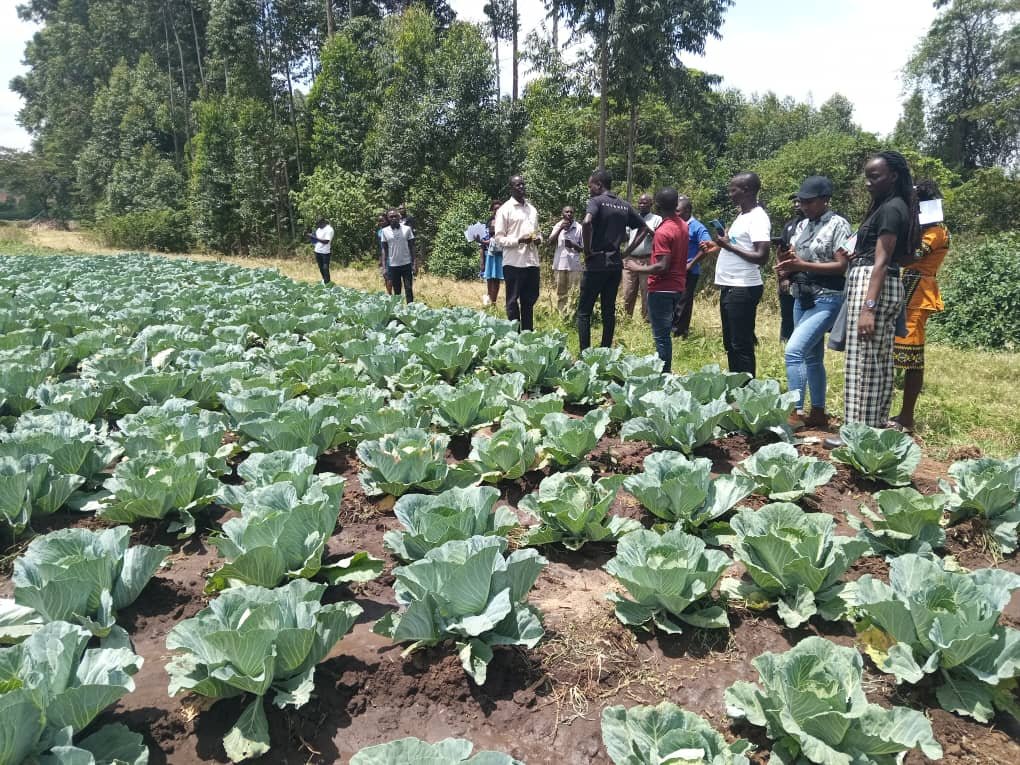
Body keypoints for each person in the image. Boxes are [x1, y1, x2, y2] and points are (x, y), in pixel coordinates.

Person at [826, 151, 918, 445]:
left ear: (893, 176)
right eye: (867, 176)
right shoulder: (894, 206)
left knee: (862, 362)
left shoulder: (891, 209)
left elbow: (881, 261)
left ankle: (854, 435)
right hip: (883, 283)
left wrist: (868, 307)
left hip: (872, 284)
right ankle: (874, 427)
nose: (868, 182)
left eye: (874, 177)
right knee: (878, 363)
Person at [775, 176, 851, 430]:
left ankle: (795, 411)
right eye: (802, 201)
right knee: (811, 357)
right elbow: (796, 256)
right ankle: (818, 411)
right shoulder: (803, 225)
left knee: (793, 351)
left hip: (828, 297)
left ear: (825, 200)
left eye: (809, 201)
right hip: (803, 295)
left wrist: (802, 265)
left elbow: (842, 266)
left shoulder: (839, 224)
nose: (804, 206)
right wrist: (787, 263)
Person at [890, 179, 950, 433]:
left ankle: (906, 418)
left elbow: (912, 256)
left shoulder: (936, 232)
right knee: (898, 355)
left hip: (919, 294)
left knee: (912, 358)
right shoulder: (924, 229)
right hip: (908, 291)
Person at [701, 172, 771, 376]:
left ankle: (747, 392)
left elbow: (762, 256)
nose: (730, 194)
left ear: (747, 190)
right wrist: (720, 243)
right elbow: (738, 244)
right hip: (730, 286)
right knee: (730, 342)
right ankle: (736, 387)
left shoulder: (758, 218)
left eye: (733, 190)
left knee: (741, 344)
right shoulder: (742, 216)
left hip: (743, 288)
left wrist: (728, 247)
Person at [579, 169, 653, 350]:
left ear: (598, 184)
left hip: (596, 263)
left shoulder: (596, 201)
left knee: (584, 312)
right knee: (608, 310)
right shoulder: (624, 205)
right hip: (614, 265)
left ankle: (585, 353)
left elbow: (587, 222)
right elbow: (644, 228)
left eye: (591, 186)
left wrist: (587, 250)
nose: (589, 190)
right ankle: (605, 351)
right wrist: (627, 252)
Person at [623, 187, 689, 373]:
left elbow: (662, 266)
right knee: (665, 333)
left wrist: (638, 267)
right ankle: (664, 369)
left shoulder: (663, 231)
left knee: (661, 337)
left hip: (662, 289)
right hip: (677, 287)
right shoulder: (683, 225)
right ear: (676, 204)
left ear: (657, 206)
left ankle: (663, 373)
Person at [494, 175, 542, 330]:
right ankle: (515, 334)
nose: (521, 187)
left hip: (531, 261)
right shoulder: (505, 210)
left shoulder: (532, 209)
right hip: (514, 262)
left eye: (523, 184)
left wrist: (538, 239)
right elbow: (499, 238)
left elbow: (538, 232)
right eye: (517, 185)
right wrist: (519, 240)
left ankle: (527, 333)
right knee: (513, 301)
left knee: (529, 300)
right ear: (511, 188)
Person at [672, 196, 712, 339]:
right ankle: (673, 329)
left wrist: (691, 264)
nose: (675, 213)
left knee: (683, 302)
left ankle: (680, 332)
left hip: (689, 272)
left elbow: (708, 246)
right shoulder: (675, 224)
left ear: (687, 210)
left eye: (678, 211)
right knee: (673, 301)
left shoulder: (697, 227)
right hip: (674, 271)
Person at [621, 193, 662, 321]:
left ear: (651, 204)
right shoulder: (633, 217)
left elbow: (659, 237)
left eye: (645, 203)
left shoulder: (657, 219)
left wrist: (646, 228)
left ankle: (646, 320)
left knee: (646, 292)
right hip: (630, 259)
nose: (641, 205)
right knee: (628, 291)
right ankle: (625, 318)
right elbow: (626, 237)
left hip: (647, 260)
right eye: (640, 202)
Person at [777, 196, 805, 342]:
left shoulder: (816, 225)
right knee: (787, 312)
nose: (796, 205)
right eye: (794, 202)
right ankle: (785, 341)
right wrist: (782, 277)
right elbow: (781, 251)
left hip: (806, 276)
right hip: (788, 275)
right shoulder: (790, 225)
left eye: (799, 202)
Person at [548, 206, 583, 316]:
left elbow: (584, 249)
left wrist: (573, 244)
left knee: (574, 292)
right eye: (566, 212)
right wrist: (560, 229)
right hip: (560, 264)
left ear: (574, 214)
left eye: (571, 212)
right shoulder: (558, 225)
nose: (569, 214)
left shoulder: (579, 228)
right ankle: (561, 315)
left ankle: (572, 315)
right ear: (562, 213)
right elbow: (550, 242)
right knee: (561, 292)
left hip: (574, 266)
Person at [380, 208, 416, 303]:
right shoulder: (384, 231)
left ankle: (411, 311)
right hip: (393, 265)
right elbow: (384, 250)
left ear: (399, 217)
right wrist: (384, 267)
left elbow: (412, 247)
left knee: (408, 289)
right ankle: (399, 312)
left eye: (395, 216)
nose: (393, 218)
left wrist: (414, 263)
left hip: (406, 264)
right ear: (388, 218)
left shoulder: (407, 229)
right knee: (397, 291)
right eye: (391, 217)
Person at [477, 218, 503, 307]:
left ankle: (493, 302)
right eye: (492, 226)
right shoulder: (485, 232)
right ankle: (489, 299)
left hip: (500, 256)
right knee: (489, 278)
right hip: (489, 255)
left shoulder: (504, 228)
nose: (493, 228)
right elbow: (482, 246)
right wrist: (482, 262)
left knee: (496, 279)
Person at [311, 217, 334, 285]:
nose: (318, 226)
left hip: (325, 253)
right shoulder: (318, 229)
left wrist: (315, 238)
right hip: (317, 251)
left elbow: (326, 241)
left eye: (319, 224)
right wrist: (311, 237)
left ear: (323, 223)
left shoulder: (329, 229)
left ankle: (328, 284)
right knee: (321, 268)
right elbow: (315, 241)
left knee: (325, 268)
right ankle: (325, 281)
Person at [376, 213, 393, 295]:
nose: (381, 222)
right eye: (379, 221)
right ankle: (389, 294)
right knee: (386, 276)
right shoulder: (379, 232)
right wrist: (380, 258)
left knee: (392, 277)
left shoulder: (391, 229)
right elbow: (380, 247)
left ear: (387, 220)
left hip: (392, 254)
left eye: (382, 220)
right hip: (384, 256)